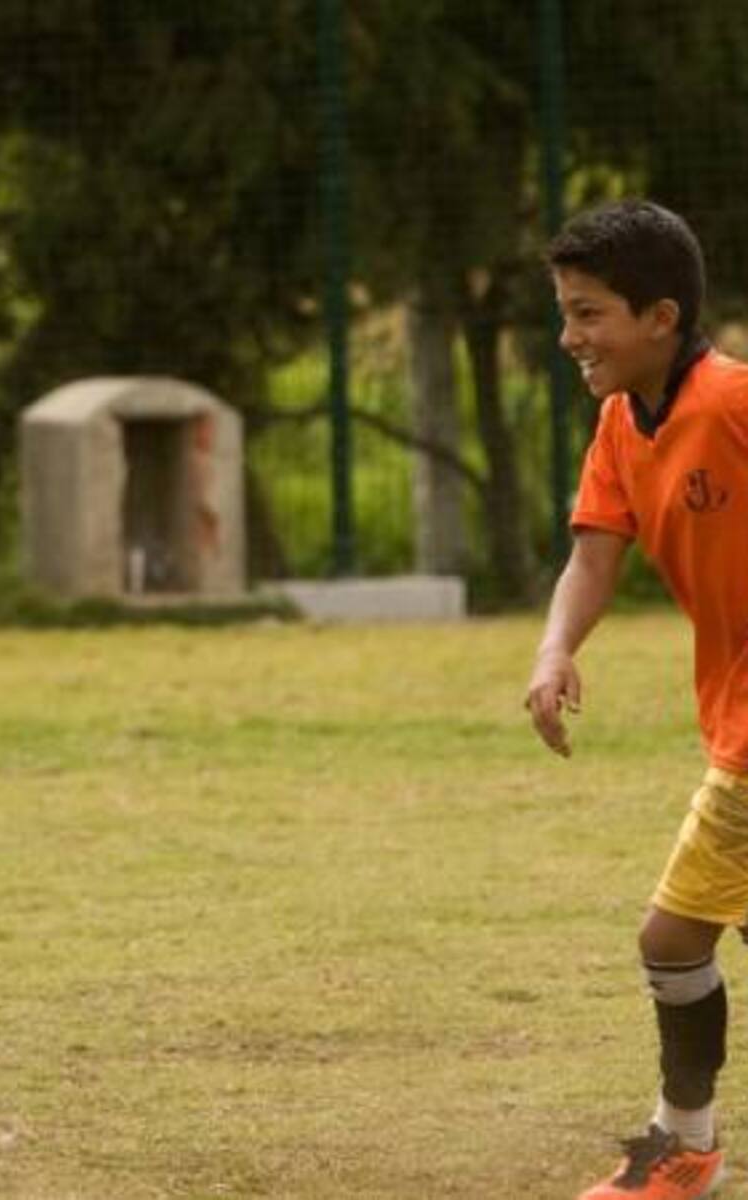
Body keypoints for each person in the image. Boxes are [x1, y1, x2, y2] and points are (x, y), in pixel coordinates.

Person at [526, 198, 748, 1199]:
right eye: (566, 313)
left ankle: (685, 1142)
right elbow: (592, 553)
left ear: (660, 317)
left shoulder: (732, 403)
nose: (569, 336)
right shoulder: (622, 424)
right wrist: (554, 649)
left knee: (672, 936)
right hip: (731, 711)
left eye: (588, 313)